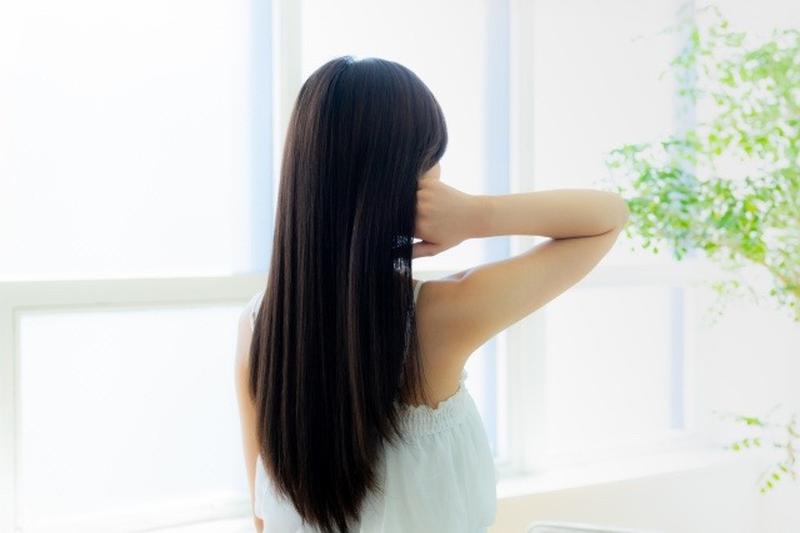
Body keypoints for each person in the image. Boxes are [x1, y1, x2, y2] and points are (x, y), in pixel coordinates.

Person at [234, 55, 629, 533]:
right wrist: (478, 215)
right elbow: (607, 216)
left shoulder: (257, 325)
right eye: (431, 155)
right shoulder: (438, 315)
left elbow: (262, 513)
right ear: (404, 178)